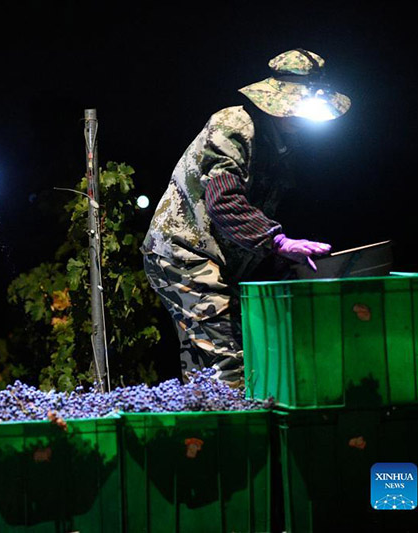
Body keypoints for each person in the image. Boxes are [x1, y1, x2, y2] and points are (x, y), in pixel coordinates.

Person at [141, 49, 350, 386]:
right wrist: (278, 241)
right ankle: (239, 433)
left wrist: (283, 261)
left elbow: (260, 208)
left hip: (224, 259)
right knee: (227, 362)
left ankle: (203, 433)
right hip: (184, 252)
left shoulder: (283, 144)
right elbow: (223, 200)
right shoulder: (234, 125)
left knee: (213, 366)